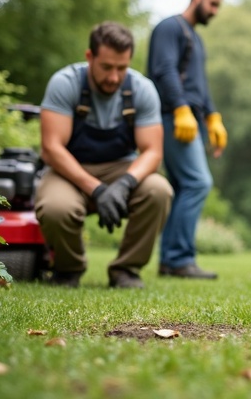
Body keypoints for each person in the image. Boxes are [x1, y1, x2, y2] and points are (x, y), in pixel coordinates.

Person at [36, 21, 173, 289]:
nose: (114, 77)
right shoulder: (65, 84)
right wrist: (97, 190)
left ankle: (126, 271)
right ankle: (68, 269)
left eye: (121, 68)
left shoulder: (142, 90)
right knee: (55, 207)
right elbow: (52, 148)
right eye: (106, 67)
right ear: (90, 57)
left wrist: (124, 184)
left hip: (121, 169)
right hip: (70, 171)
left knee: (159, 190)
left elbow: (153, 152)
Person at [147, 0, 227, 280]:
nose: (215, 12)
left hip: (191, 119)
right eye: (213, 4)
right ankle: (180, 259)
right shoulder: (170, 28)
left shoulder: (195, 37)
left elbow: (200, 85)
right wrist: (180, 108)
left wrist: (213, 116)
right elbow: (164, 70)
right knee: (197, 183)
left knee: (184, 187)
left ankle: (170, 261)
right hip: (172, 117)